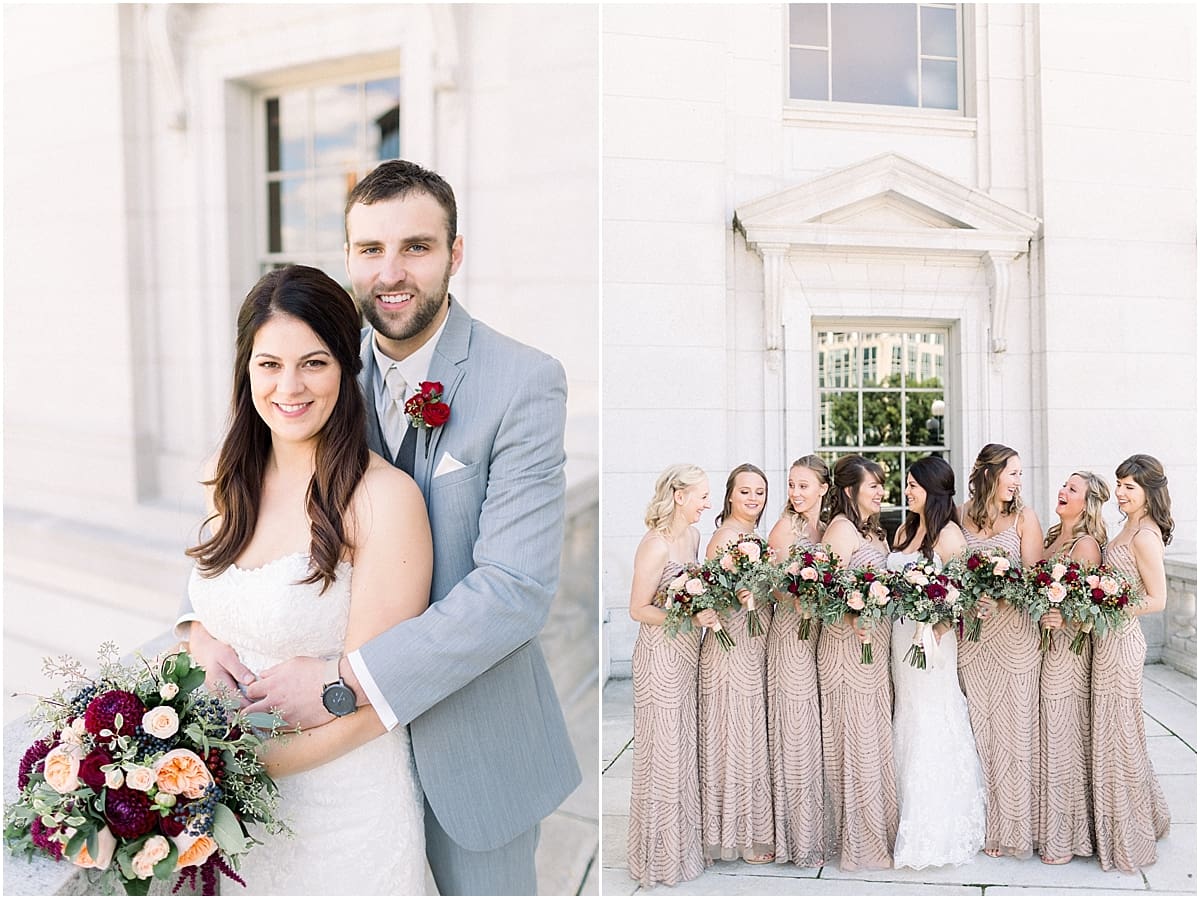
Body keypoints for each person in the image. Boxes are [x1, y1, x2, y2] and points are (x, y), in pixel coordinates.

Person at [184, 160, 581, 895]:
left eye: (417, 247)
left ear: (455, 253)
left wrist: (345, 680)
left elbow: (515, 589)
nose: (391, 272)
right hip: (340, 777)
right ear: (347, 258)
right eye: (370, 249)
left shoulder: (523, 381)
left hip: (472, 748)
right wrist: (202, 634)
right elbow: (248, 526)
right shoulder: (320, 366)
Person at [185, 265, 432, 893]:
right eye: (269, 364)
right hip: (230, 822)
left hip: (341, 812)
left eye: (313, 363)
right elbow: (210, 611)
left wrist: (227, 769)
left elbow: (385, 700)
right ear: (246, 369)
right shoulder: (227, 473)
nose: (289, 387)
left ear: (345, 369)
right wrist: (203, 647)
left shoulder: (382, 499)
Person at [887, 456, 985, 869]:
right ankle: (900, 812)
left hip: (933, 643)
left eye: (913, 485)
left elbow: (964, 597)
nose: (907, 491)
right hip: (899, 637)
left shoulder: (950, 536)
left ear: (933, 489)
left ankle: (936, 823)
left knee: (932, 716)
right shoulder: (906, 529)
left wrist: (935, 628)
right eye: (906, 484)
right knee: (907, 713)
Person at [626, 464, 714, 887]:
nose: (707, 503)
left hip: (688, 655)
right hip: (660, 658)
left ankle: (685, 850)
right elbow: (638, 609)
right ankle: (658, 858)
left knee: (684, 750)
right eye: (702, 495)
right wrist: (688, 616)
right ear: (679, 495)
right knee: (663, 752)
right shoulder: (654, 546)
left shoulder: (694, 537)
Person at [957, 443, 1043, 859]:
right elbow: (951, 574)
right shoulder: (961, 514)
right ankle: (983, 824)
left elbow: (1036, 580)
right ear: (990, 473)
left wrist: (1003, 597)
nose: (1018, 481)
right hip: (972, 640)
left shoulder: (1025, 517)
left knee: (1014, 731)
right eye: (1013, 473)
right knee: (979, 731)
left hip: (1014, 639)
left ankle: (1014, 829)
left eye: (1021, 475)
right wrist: (972, 598)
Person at [819, 454, 897, 871]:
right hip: (847, 648)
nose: (881, 492)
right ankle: (859, 843)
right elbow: (823, 594)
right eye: (874, 486)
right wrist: (854, 615)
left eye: (881, 485)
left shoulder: (873, 529)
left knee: (872, 738)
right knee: (855, 740)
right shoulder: (841, 529)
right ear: (850, 491)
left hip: (873, 649)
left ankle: (877, 831)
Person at [1093, 454, 1171, 872]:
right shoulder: (1125, 526)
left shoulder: (1144, 535)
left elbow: (1158, 599)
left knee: (1121, 732)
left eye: (1130, 487)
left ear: (1148, 492)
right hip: (1104, 639)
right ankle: (1117, 821)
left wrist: (1109, 608)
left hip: (1122, 641)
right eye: (1119, 484)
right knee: (1110, 731)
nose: (1121, 492)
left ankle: (1130, 833)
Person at [698, 463, 774, 865]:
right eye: (745, 491)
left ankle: (748, 829)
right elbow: (714, 597)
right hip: (730, 648)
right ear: (730, 495)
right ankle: (734, 837)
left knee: (747, 735)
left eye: (759, 492)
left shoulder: (753, 538)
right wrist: (743, 592)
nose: (753, 499)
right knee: (734, 737)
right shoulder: (723, 539)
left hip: (752, 645)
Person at [1036, 471, 1108, 865]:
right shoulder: (1050, 538)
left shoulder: (1086, 545)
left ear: (1088, 502)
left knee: (1064, 740)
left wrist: (1065, 620)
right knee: (1049, 738)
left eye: (1072, 489)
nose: (1062, 491)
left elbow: (1092, 610)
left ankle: (1069, 837)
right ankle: (1048, 827)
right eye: (1063, 485)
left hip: (1068, 655)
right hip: (1041, 650)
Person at [764, 455, 829, 868]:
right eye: (791, 485)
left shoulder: (827, 528)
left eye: (804, 485)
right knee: (795, 732)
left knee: (813, 735)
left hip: (820, 639)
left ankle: (817, 828)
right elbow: (770, 586)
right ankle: (793, 838)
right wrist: (796, 597)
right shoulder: (787, 527)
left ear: (824, 488)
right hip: (790, 636)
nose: (795, 493)